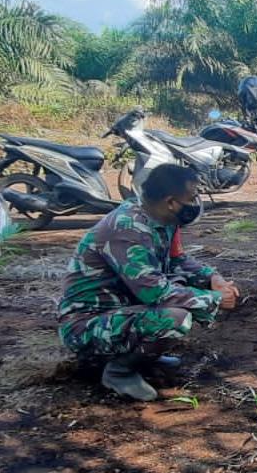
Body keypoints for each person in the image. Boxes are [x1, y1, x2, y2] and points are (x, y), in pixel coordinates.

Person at [58, 163, 239, 401]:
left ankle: (145, 355)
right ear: (171, 202)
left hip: (120, 310)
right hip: (86, 323)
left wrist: (212, 278)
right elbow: (153, 292)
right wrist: (214, 299)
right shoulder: (127, 229)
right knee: (175, 317)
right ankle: (119, 371)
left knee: (185, 294)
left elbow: (177, 260)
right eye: (192, 198)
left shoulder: (164, 220)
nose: (196, 203)